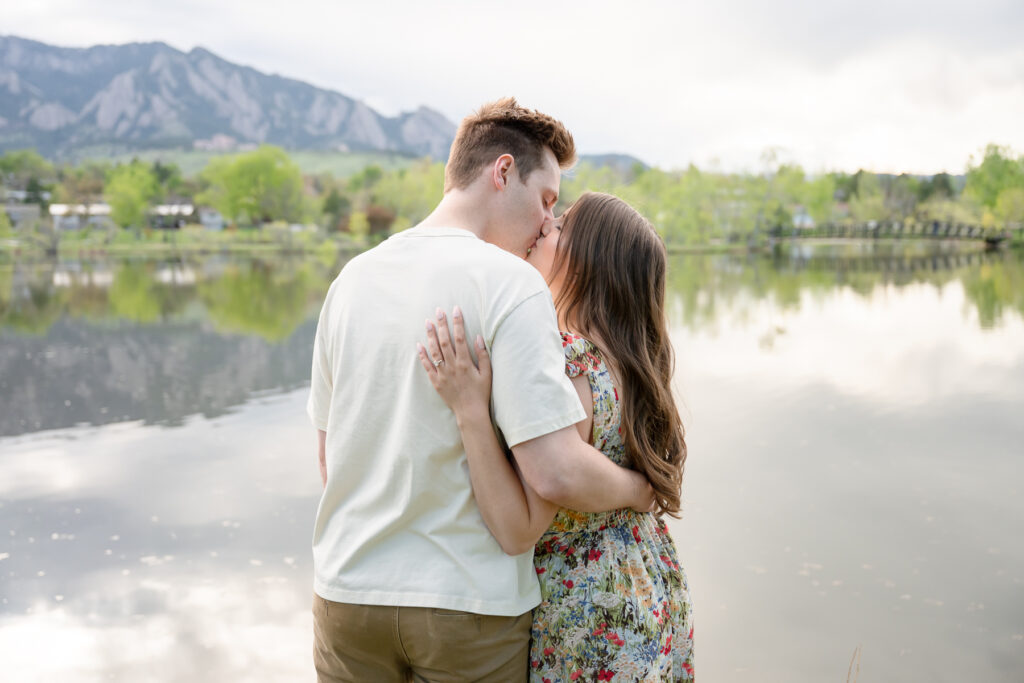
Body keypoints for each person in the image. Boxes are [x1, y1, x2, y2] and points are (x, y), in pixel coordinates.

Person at [307, 100, 655, 682]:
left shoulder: (349, 281)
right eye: (546, 199)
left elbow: (330, 461)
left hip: (347, 596)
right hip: (466, 606)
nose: (548, 223)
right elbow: (552, 475)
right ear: (501, 173)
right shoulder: (513, 285)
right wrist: (641, 490)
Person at [417, 191, 694, 681]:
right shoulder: (634, 367)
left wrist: (470, 410)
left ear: (590, 262)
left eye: (563, 225)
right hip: (650, 587)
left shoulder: (568, 362)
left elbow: (516, 520)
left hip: (591, 612)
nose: (545, 226)